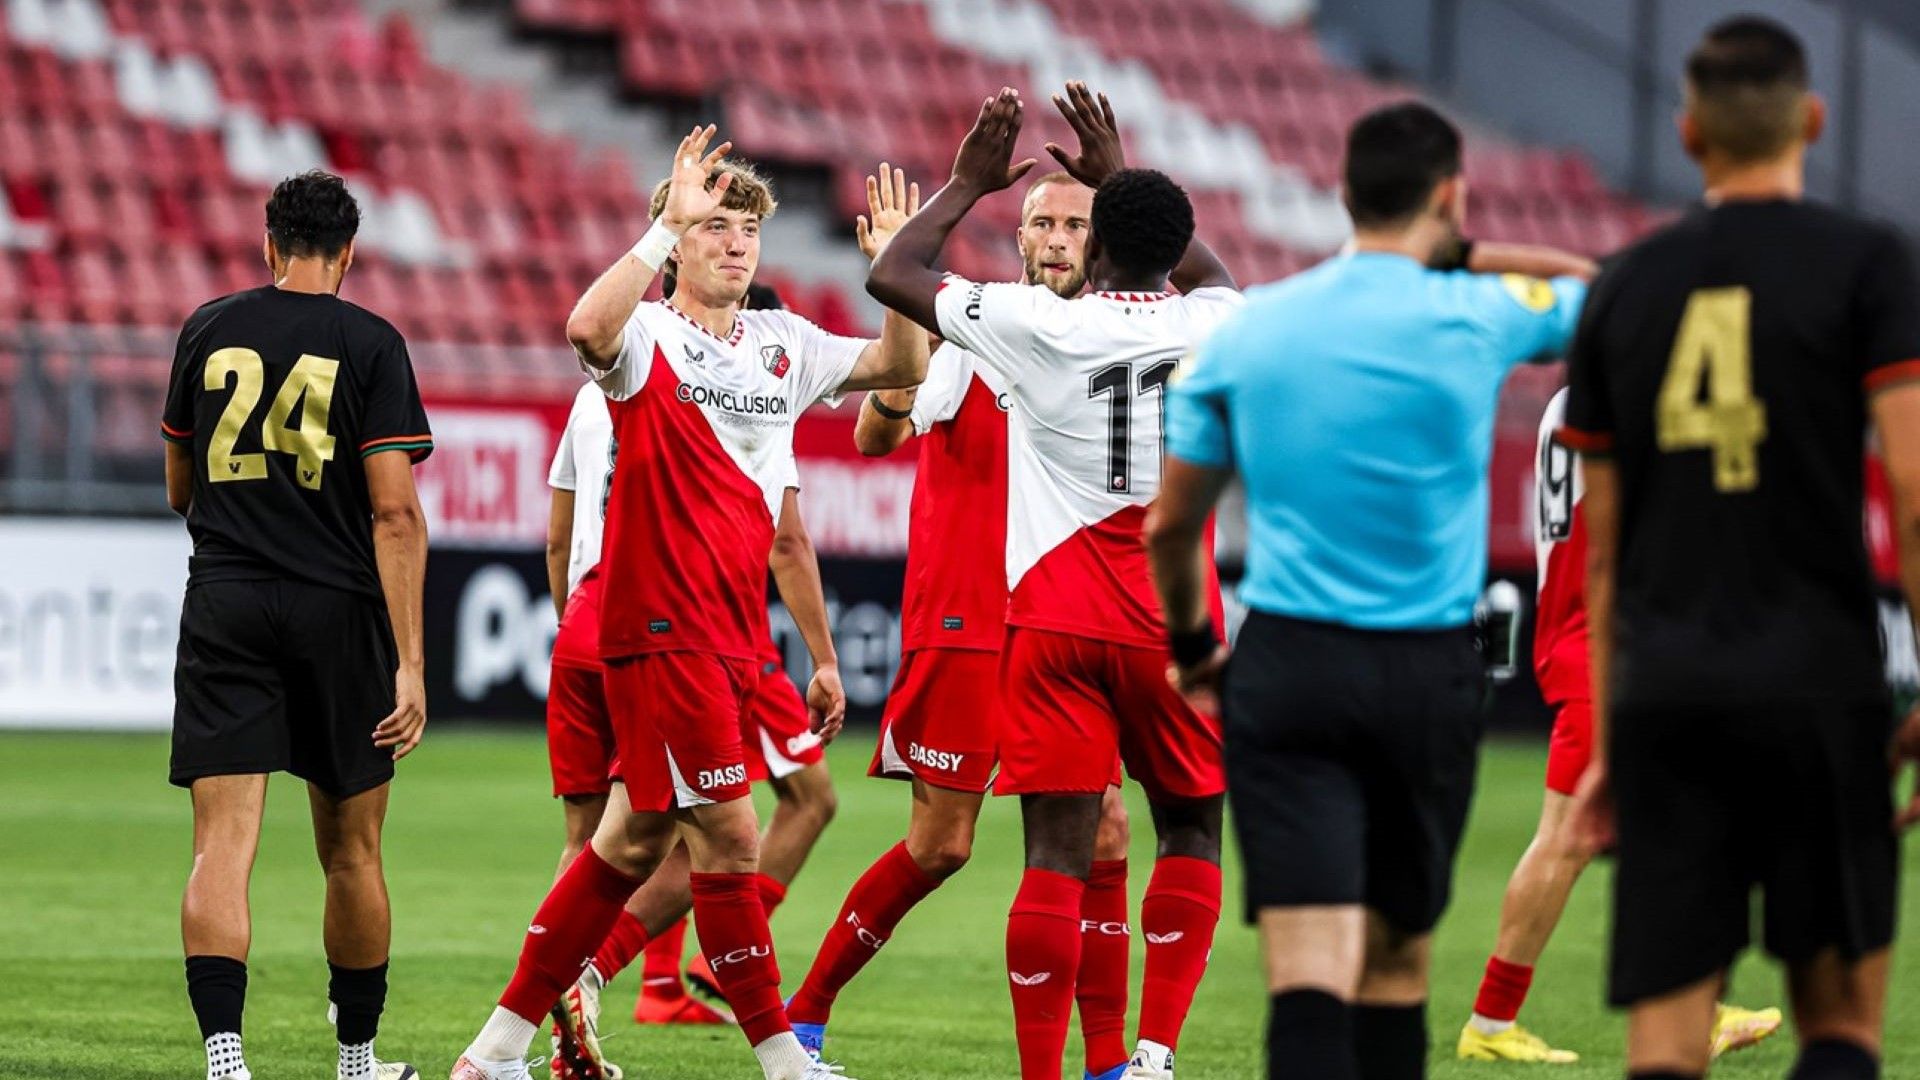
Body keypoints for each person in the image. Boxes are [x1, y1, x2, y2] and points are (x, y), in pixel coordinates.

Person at [450, 127, 926, 1080]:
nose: (737, 242)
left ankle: (497, 1050)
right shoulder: (650, 339)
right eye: (715, 226)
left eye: (747, 227)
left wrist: (898, 274)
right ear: (677, 242)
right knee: (733, 833)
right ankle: (784, 1059)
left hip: (727, 634)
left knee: (628, 840)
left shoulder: (783, 344)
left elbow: (896, 369)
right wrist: (658, 231)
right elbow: (587, 330)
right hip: (658, 623)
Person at [1146, 102, 1592, 1080]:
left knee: (1305, 973)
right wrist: (1464, 250)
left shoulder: (1253, 328)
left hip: (1290, 663)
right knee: (1396, 967)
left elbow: (1173, 526)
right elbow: (1608, 294)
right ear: (1447, 195)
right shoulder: (1476, 313)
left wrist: (1192, 650)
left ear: (1342, 196)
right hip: (1426, 671)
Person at [1559, 17, 1920, 1080]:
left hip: (1671, 690)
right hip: (1823, 684)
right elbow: (1910, 482)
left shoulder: (1623, 285)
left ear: (1687, 136)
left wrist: (1614, 740)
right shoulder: (1869, 262)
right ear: (1810, 119)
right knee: (1841, 1023)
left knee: (1667, 1039)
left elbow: (1606, 551)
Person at [868, 85, 1241, 1080]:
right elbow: (1211, 270)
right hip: (1172, 622)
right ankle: (1153, 1056)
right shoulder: (1217, 323)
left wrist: (964, 186)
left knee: (1055, 860)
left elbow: (893, 271)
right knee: (1193, 827)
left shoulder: (1036, 323)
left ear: (1100, 245)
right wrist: (1120, 175)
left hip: (1054, 623)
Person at [785, 157, 1137, 1080]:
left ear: (1097, 241)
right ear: (1017, 236)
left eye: (1073, 226)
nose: (1056, 240)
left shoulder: (1112, 343)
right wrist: (901, 313)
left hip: (1063, 625)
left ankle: (1108, 1064)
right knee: (941, 845)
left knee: (1104, 830)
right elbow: (875, 434)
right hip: (969, 623)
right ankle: (807, 1011)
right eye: (1041, 225)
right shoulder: (974, 324)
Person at [162, 169, 429, 1080]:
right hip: (338, 608)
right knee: (352, 851)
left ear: (268, 244)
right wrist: (411, 663)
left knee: (221, 845)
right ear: (349, 255)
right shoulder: (373, 343)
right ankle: (356, 1064)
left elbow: (179, 487)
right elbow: (394, 514)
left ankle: (226, 1062)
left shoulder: (206, 327)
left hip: (227, 600)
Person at [540, 282, 840, 1050]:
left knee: (604, 841)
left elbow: (556, 536)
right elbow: (786, 538)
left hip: (591, 623)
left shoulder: (593, 389)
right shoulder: (743, 394)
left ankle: (538, 1012)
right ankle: (633, 974)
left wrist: (574, 628)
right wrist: (825, 656)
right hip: (695, 624)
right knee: (750, 813)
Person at [1454, 386, 1780, 1064]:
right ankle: (1489, 1023)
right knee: (1567, 838)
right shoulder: (1618, 401)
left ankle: (1699, 1007)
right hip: (1606, 640)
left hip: (1591, 631)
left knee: (1672, 828)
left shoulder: (1571, 400)